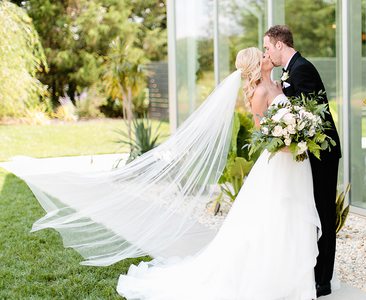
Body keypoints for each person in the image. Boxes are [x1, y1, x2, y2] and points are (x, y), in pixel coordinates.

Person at [115, 47, 328, 299]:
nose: (266, 57)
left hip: (295, 163)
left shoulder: (279, 84)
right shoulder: (259, 92)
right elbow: (262, 134)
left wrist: (300, 133)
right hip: (280, 163)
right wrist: (287, 143)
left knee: (294, 215)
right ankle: (273, 279)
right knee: (276, 217)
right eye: (261, 56)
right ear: (255, 66)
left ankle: (296, 279)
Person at [264, 25, 342, 298]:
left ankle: (323, 281)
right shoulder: (291, 70)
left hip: (322, 153)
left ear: (279, 45)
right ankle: (312, 270)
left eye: (267, 47)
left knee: (323, 213)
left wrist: (280, 98)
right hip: (309, 154)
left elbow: (311, 117)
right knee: (311, 213)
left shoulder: (302, 69)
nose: (267, 53)